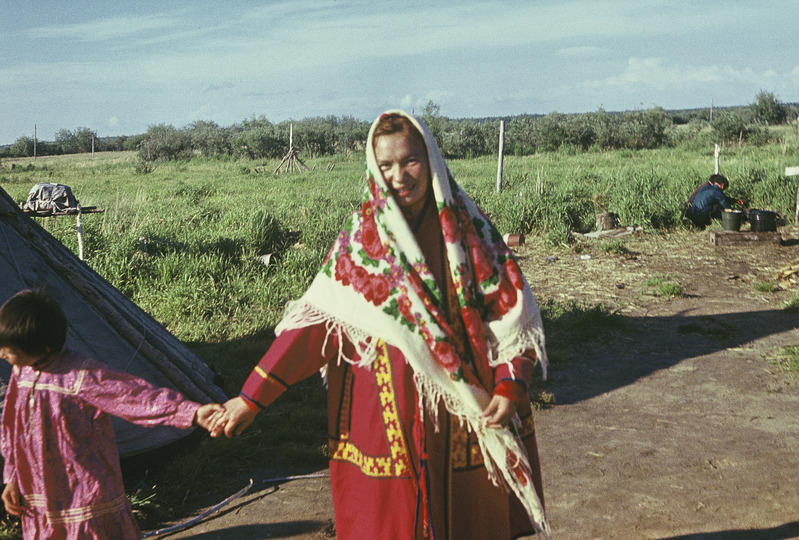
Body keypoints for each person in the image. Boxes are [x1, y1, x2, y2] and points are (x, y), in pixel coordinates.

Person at [210, 110, 551, 539]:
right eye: (385, 165)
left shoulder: (471, 231)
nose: (399, 176)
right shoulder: (363, 240)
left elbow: (510, 311)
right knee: (392, 520)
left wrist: (510, 381)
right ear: (373, 168)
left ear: (431, 159)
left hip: (464, 401)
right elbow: (316, 327)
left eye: (410, 161)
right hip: (386, 409)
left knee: (468, 517)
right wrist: (249, 399)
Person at [0, 289, 223, 539]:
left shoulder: (80, 376)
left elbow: (134, 397)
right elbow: (12, 427)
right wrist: (12, 477)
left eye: (8, 350)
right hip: (41, 490)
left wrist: (191, 412)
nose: (2, 354)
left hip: (83, 490)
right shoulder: (23, 373)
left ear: (43, 347)